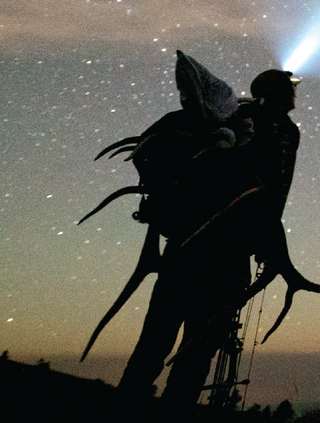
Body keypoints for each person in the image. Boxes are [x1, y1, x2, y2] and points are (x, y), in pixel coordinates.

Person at [117, 68, 301, 405]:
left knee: (154, 340)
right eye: (290, 88)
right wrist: (266, 239)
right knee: (198, 351)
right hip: (227, 258)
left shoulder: (226, 115)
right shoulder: (282, 130)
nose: (295, 94)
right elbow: (274, 190)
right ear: (278, 92)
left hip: (182, 247)